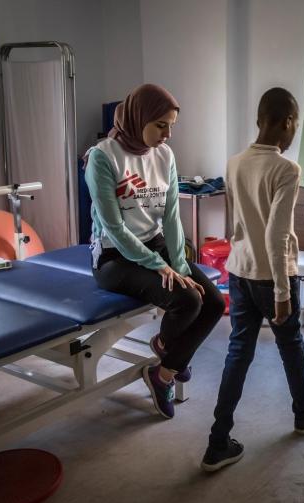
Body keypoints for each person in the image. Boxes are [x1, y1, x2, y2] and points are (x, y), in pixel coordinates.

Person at [201, 88, 304, 472]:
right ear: (288, 123)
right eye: (296, 123)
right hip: (270, 276)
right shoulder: (286, 169)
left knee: (238, 351)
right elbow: (277, 235)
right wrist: (282, 291)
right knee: (291, 345)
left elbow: (241, 225)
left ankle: (217, 441)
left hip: (239, 270)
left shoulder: (234, 163)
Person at [85, 83, 225, 419]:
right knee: (187, 300)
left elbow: (172, 215)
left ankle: (163, 370)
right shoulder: (102, 157)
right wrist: (160, 267)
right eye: (161, 125)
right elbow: (115, 228)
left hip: (156, 244)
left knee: (214, 302)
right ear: (139, 118)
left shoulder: (165, 156)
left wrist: (179, 264)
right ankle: (172, 353)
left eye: (172, 126)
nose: (168, 134)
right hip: (113, 256)